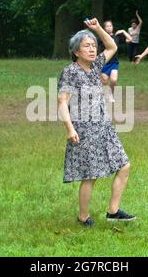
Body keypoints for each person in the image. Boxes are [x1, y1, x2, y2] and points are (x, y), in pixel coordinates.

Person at [57, 18, 136, 228]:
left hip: (104, 127)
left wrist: (97, 29)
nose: (92, 49)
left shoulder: (96, 66)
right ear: (76, 51)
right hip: (84, 129)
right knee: (90, 175)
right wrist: (70, 128)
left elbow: (112, 46)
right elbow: (62, 103)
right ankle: (83, 217)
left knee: (124, 166)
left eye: (93, 46)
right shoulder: (70, 72)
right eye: (87, 46)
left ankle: (113, 211)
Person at [99, 20, 132, 102]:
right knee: (104, 81)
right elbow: (93, 43)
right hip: (104, 63)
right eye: (107, 26)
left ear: (112, 27)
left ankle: (111, 95)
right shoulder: (102, 38)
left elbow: (130, 39)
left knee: (113, 80)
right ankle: (105, 95)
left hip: (114, 63)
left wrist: (123, 31)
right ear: (104, 28)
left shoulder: (116, 37)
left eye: (110, 26)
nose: (109, 28)